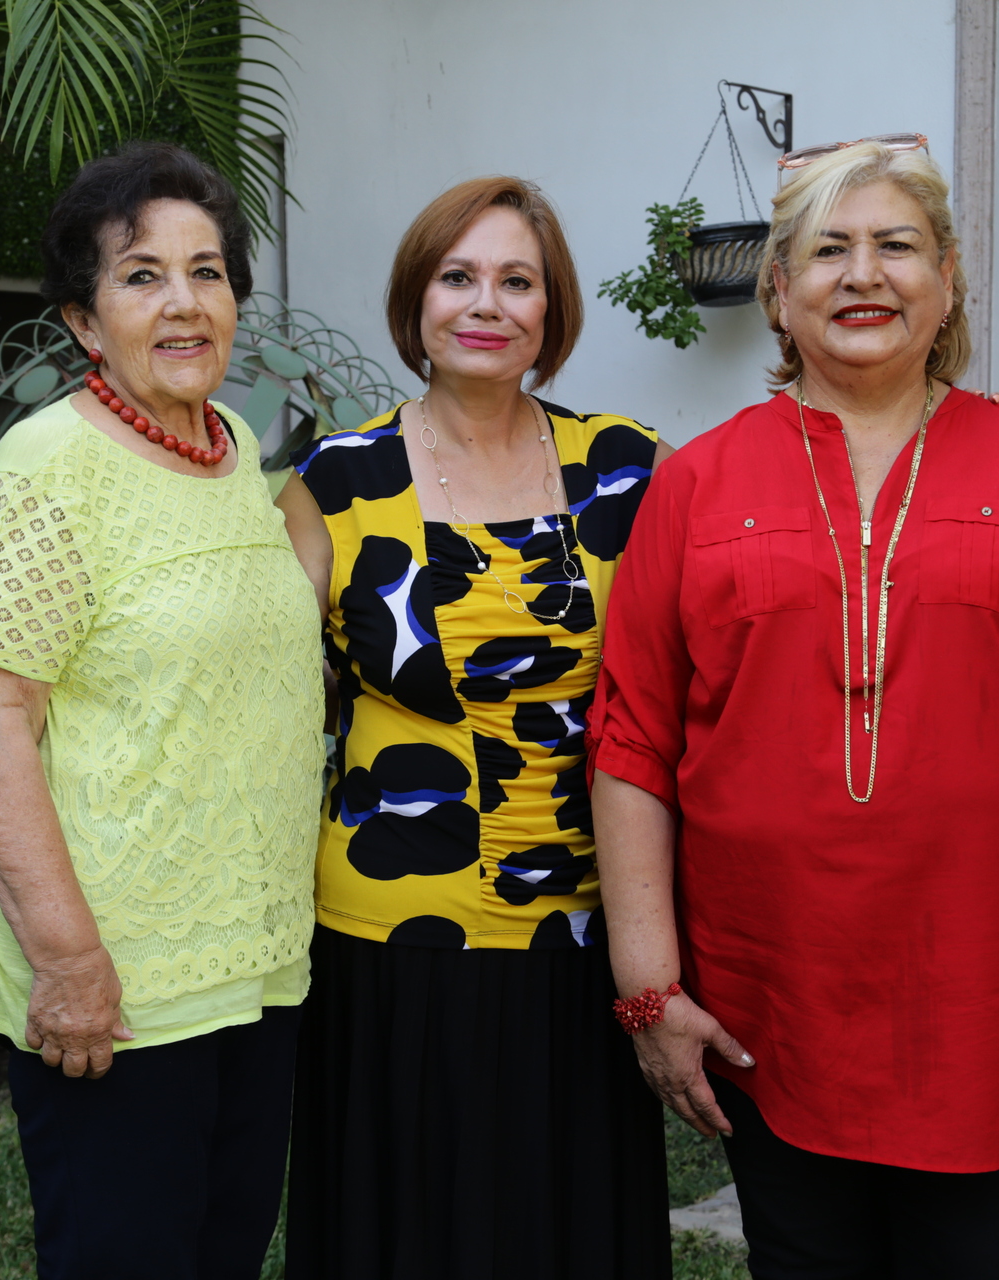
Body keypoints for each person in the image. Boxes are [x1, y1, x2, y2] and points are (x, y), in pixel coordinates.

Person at [588, 136, 999, 1279]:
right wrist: (650, 988)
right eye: (828, 249)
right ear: (779, 289)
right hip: (773, 1006)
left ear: (950, 279)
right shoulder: (697, 485)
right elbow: (632, 744)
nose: (862, 275)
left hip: (985, 1014)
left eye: (896, 246)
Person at [0, 141, 326, 1280]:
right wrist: (68, 963)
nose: (185, 302)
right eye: (143, 275)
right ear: (84, 320)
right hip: (116, 986)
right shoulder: (48, 467)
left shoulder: (232, 446)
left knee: (223, 1252)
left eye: (208, 271)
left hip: (249, 968)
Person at [275, 176, 675, 1280]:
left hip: (585, 931)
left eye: (517, 280)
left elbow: (689, 687)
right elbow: (260, 697)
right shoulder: (336, 481)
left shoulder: (629, 468)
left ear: (553, 311)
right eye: (458, 277)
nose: (485, 303)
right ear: (417, 303)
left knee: (563, 1223)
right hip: (392, 934)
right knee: (407, 1226)